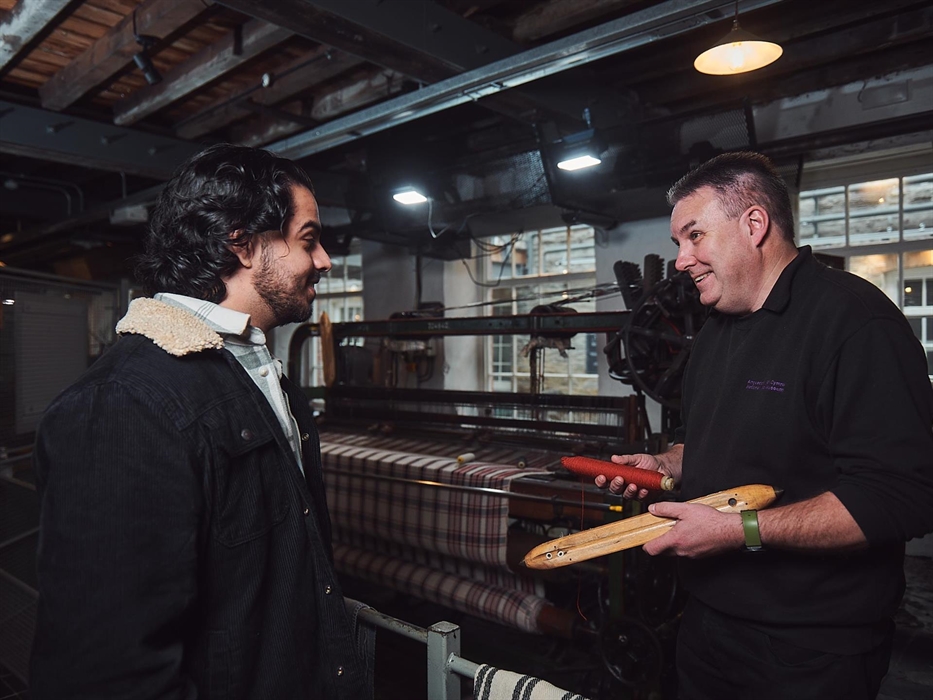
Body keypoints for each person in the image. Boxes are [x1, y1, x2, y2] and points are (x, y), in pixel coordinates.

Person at [30, 144, 371, 699]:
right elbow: (105, 674)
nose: (325, 260)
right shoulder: (121, 405)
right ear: (241, 241)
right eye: (308, 240)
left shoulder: (258, 371)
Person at [596, 151, 933, 699]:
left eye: (694, 236)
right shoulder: (715, 332)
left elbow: (899, 496)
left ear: (754, 224)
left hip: (811, 649)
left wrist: (739, 531)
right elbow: (726, 440)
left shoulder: (855, 323)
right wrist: (665, 464)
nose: (681, 260)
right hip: (707, 621)